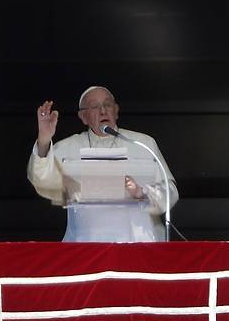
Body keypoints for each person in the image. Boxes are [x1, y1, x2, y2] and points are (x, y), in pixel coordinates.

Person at [27, 86, 179, 242]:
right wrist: (44, 140)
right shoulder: (68, 147)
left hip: (140, 244)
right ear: (83, 116)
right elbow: (41, 181)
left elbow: (170, 191)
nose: (103, 111)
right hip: (87, 246)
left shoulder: (143, 143)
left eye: (107, 105)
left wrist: (142, 193)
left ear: (116, 110)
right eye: (94, 106)